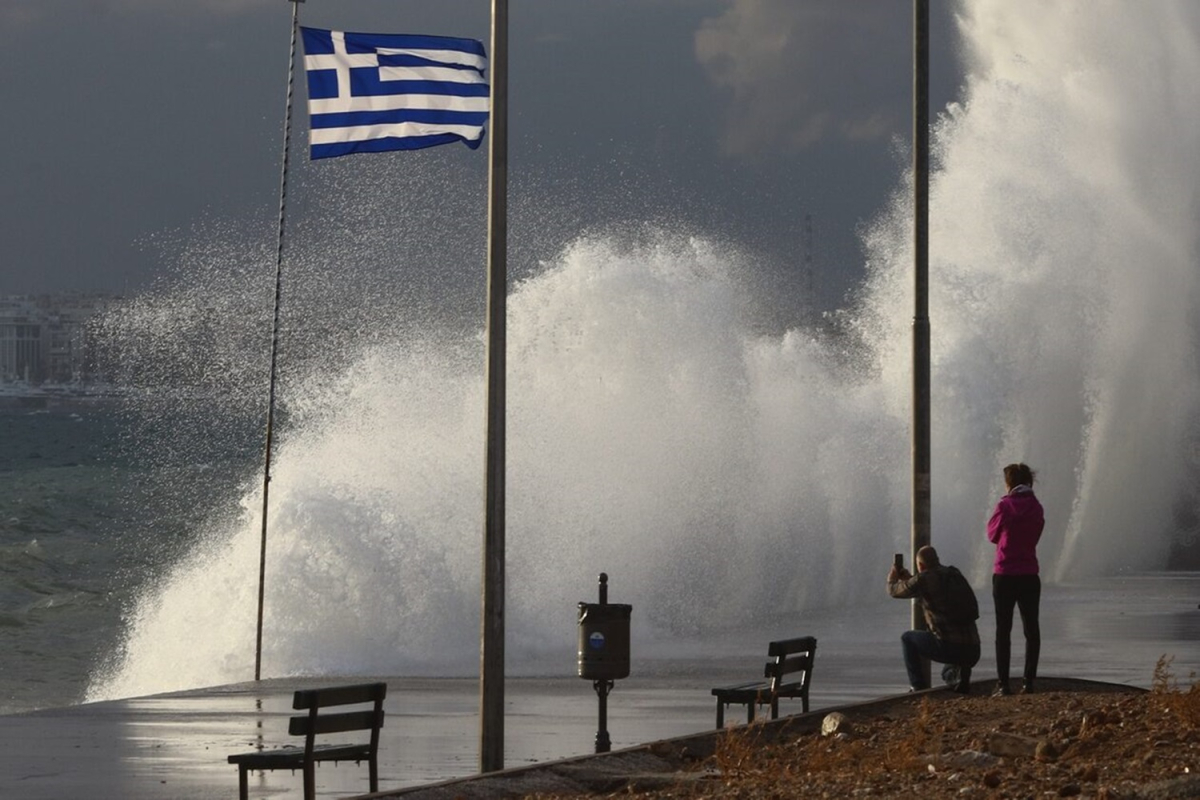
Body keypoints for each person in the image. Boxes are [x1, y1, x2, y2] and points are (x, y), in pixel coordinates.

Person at [887, 545, 981, 694]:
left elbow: (894, 591)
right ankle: (959, 677)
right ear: (937, 559)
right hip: (973, 649)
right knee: (948, 671)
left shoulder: (923, 579)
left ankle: (918, 687)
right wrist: (910, 579)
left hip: (949, 647)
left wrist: (892, 579)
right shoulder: (954, 573)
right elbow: (934, 591)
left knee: (907, 638)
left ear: (921, 565)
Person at [988, 462, 1045, 696]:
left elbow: (992, 535)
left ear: (1009, 483)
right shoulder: (1036, 507)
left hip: (1004, 573)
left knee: (1004, 630)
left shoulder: (1004, 505)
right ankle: (1028, 682)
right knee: (1031, 629)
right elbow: (1036, 534)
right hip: (1029, 573)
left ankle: (1003, 684)